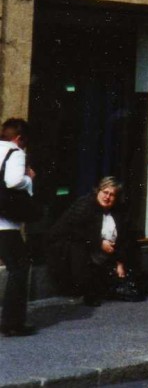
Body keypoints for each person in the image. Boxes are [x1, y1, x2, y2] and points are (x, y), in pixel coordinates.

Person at [47, 177, 148, 306]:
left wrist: (120, 262)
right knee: (78, 248)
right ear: (98, 191)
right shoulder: (85, 205)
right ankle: (88, 292)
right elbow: (72, 231)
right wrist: (99, 242)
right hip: (75, 248)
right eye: (105, 192)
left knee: (131, 241)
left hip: (106, 249)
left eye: (112, 195)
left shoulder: (118, 210)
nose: (107, 197)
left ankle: (139, 282)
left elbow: (123, 236)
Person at [0, 117, 35, 337]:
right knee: (20, 267)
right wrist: (29, 179)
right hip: (4, 224)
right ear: (19, 138)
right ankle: (12, 323)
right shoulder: (16, 152)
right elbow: (13, 181)